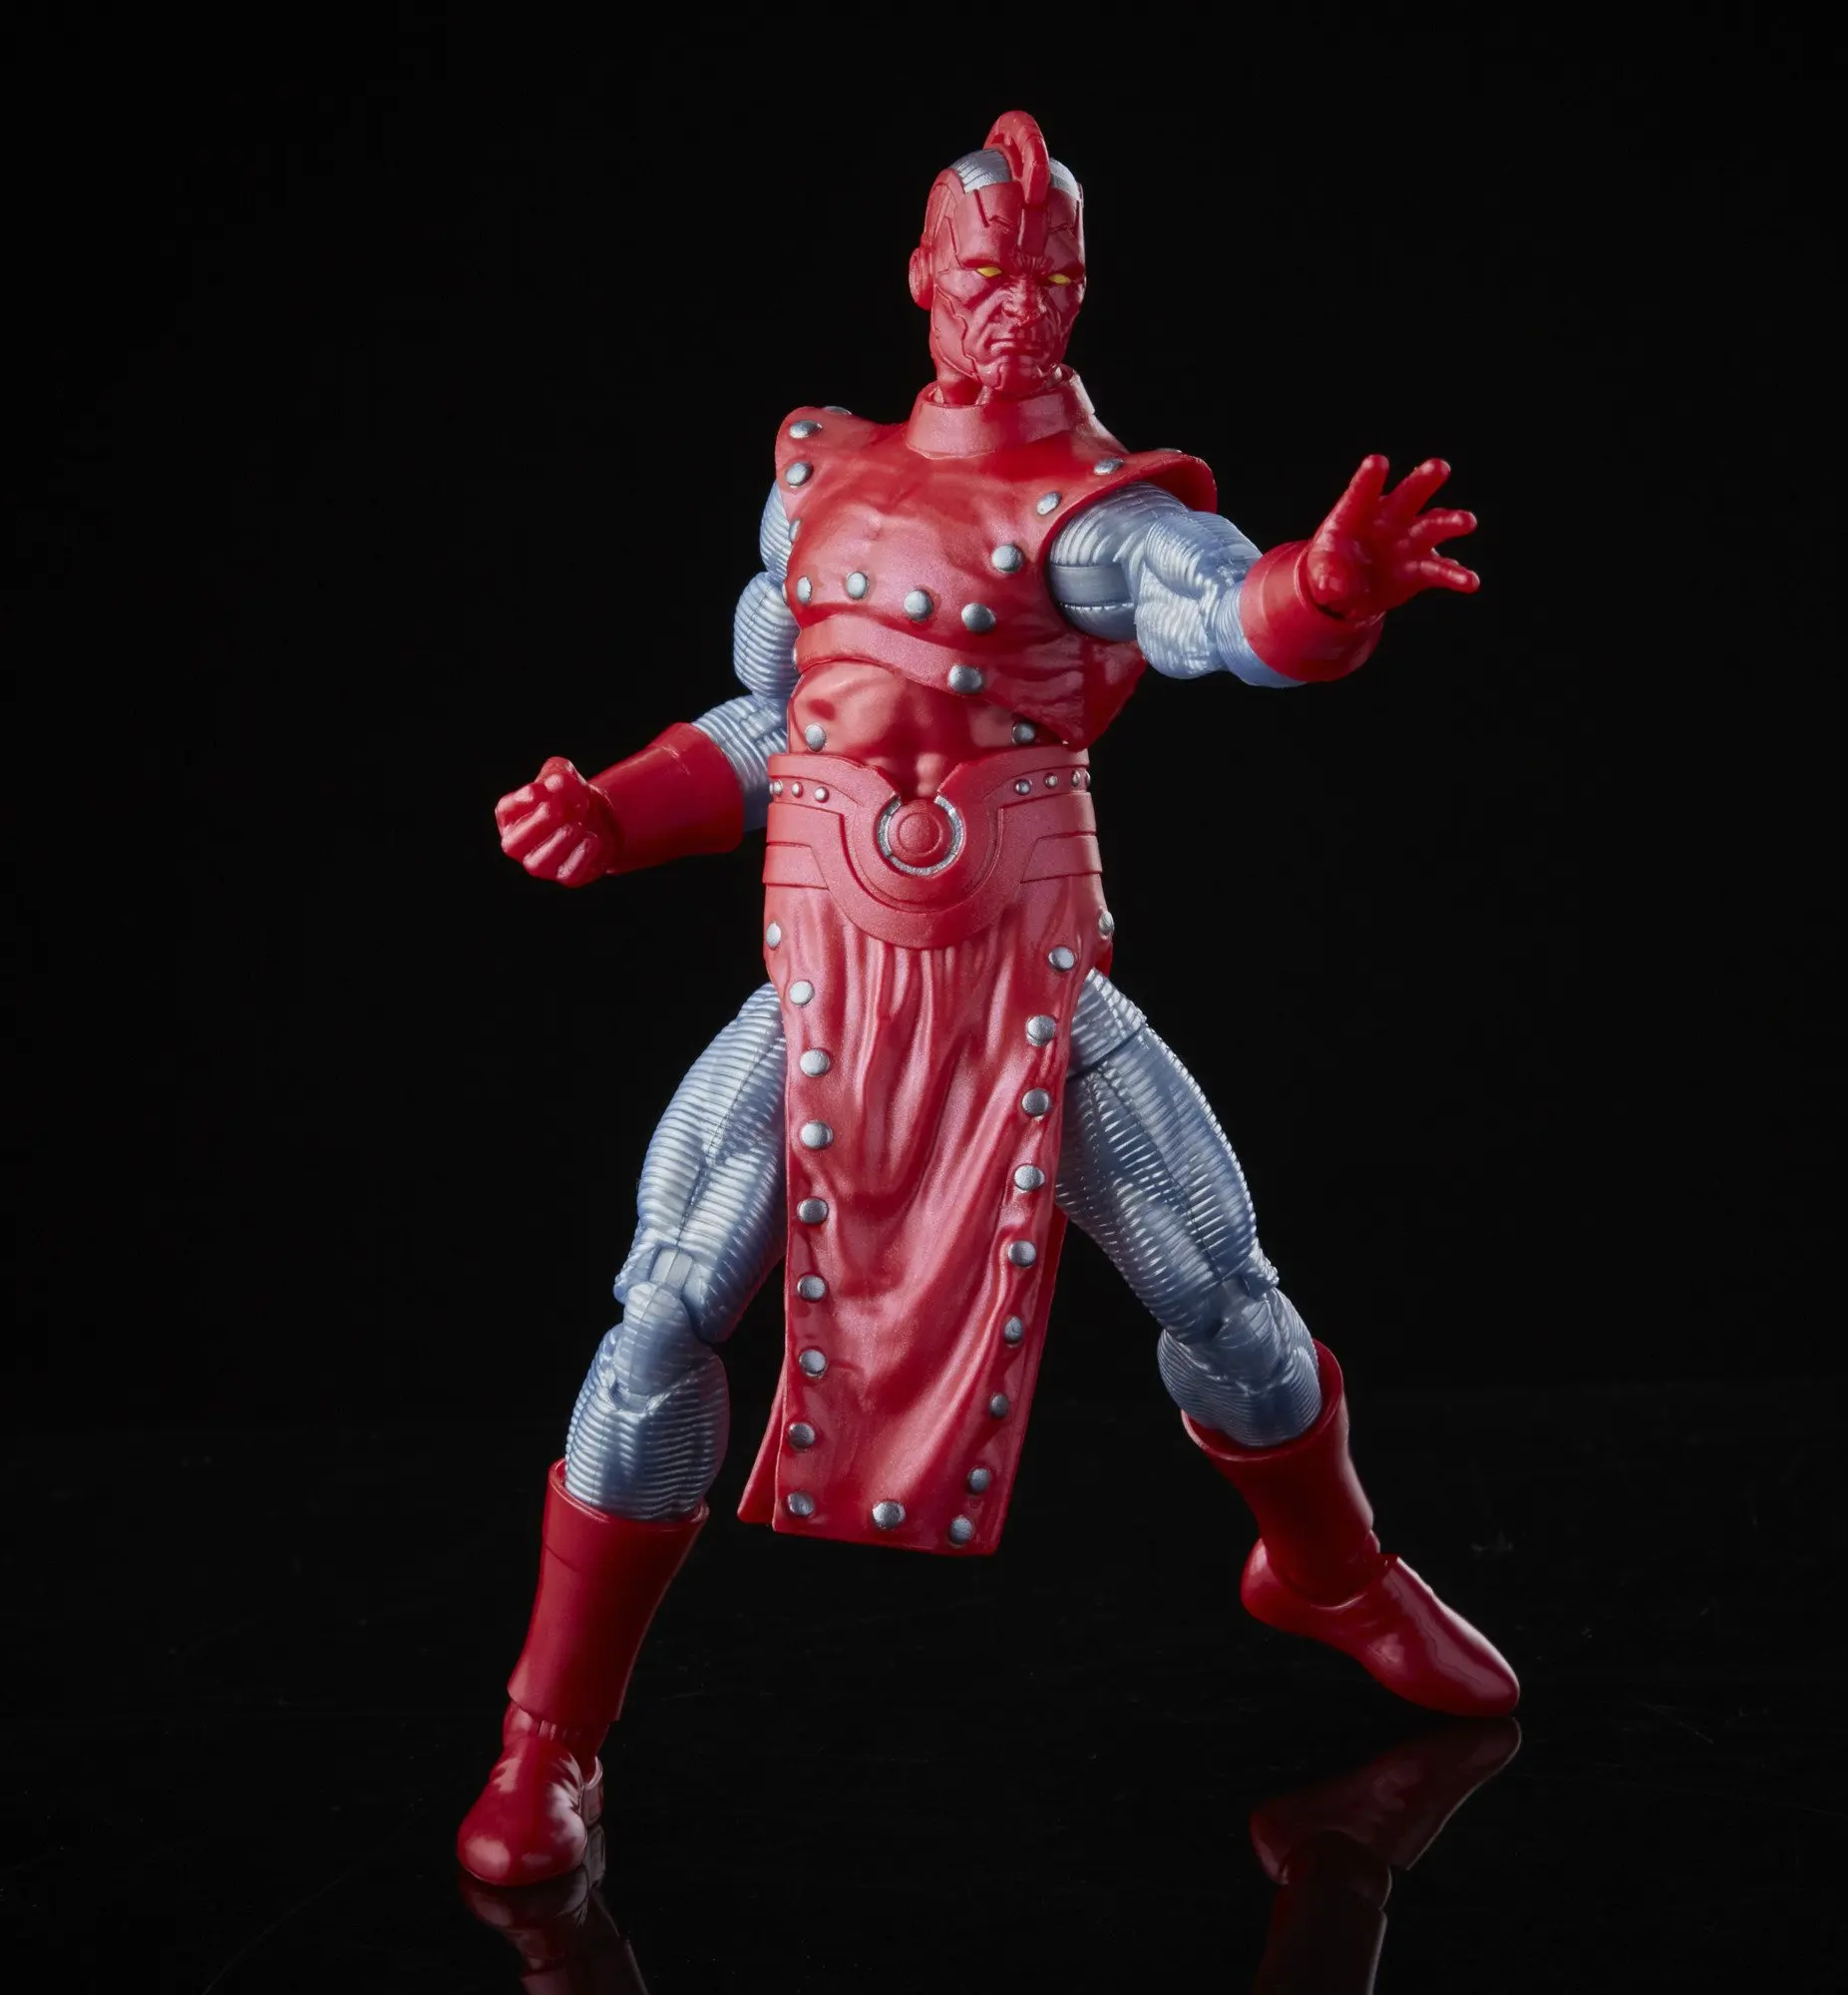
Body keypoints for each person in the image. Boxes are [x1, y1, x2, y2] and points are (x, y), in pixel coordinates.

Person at [458, 110, 1516, 1889]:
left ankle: (1329, 1573)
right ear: (923, 278)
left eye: (1049, 274)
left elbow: (1214, 616)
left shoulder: (1092, 513)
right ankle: (546, 1741)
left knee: (1224, 1294)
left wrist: (1324, 590)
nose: (1015, 300)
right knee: (659, 1319)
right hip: (825, 984)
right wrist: (617, 812)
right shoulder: (816, 474)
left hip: (1026, 991)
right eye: (986, 268)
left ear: (1077, 294)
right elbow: (775, 725)